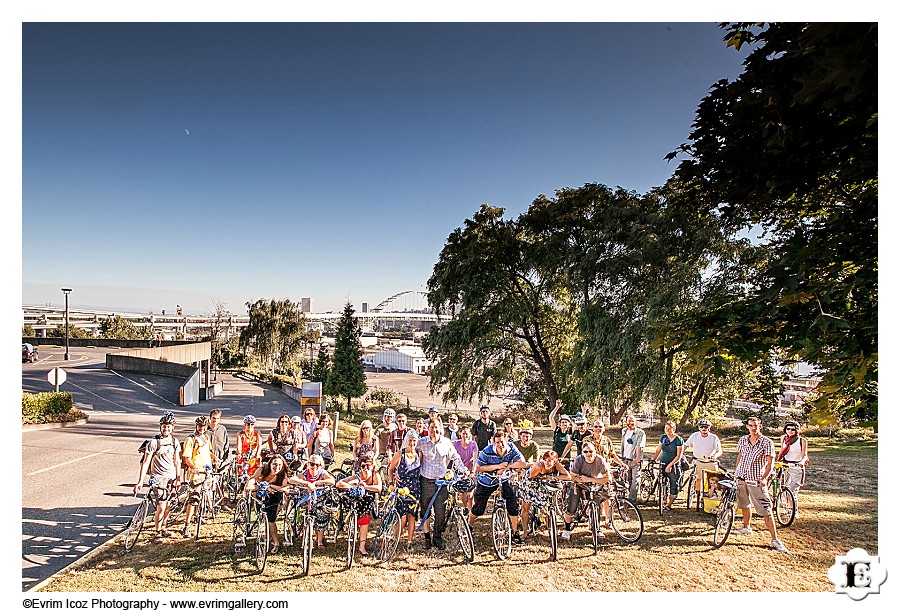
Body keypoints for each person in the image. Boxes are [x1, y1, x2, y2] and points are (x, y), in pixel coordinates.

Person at [732, 416, 789, 553]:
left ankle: (775, 539)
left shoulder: (766, 442)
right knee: (744, 504)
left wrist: (764, 478)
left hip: (756, 479)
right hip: (741, 477)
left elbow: (770, 463)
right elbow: (740, 456)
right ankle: (746, 527)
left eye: (755, 425)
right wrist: (736, 471)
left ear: (760, 426)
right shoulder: (743, 440)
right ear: (747, 427)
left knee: (766, 510)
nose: (753, 428)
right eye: (750, 425)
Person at [417, 417, 470, 550]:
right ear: (428, 429)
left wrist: (464, 470)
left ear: (440, 428)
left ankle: (437, 537)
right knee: (426, 511)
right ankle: (427, 537)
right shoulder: (421, 442)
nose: (434, 430)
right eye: (431, 428)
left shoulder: (446, 442)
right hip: (426, 481)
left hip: (442, 483)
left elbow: (456, 457)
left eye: (436, 428)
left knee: (441, 512)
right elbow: (408, 451)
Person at [469, 431, 528, 545]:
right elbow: (479, 468)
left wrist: (507, 467)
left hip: (504, 479)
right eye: (497, 443)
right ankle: (469, 525)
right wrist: (497, 467)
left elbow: (522, 463)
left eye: (502, 442)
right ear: (493, 442)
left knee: (512, 504)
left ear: (506, 440)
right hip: (487, 480)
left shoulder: (511, 448)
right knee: (479, 508)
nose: (500, 445)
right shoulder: (487, 451)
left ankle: (515, 532)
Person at [134, 412, 182, 540]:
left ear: (173, 427)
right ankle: (158, 532)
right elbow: (146, 462)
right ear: (160, 427)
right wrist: (140, 482)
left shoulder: (174, 441)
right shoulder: (154, 442)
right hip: (158, 477)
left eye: (168, 426)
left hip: (171, 477)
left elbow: (177, 461)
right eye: (164, 426)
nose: (166, 429)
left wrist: (178, 478)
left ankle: (163, 526)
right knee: (161, 505)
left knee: (168, 505)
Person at [561, 442, 611, 540]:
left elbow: (608, 478)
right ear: (582, 453)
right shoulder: (579, 460)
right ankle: (566, 529)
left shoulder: (600, 460)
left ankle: (597, 528)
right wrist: (581, 480)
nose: (589, 454)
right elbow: (572, 477)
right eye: (586, 452)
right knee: (572, 507)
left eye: (591, 451)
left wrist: (589, 479)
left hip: (593, 484)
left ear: (595, 451)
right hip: (578, 484)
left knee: (596, 506)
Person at [337, 452, 383, 556]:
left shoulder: (375, 475)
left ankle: (362, 547)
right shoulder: (357, 476)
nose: (366, 468)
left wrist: (365, 486)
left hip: (366, 503)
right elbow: (339, 483)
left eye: (368, 465)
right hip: (355, 501)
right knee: (354, 516)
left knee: (364, 520)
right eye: (363, 466)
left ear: (372, 466)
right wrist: (351, 485)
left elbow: (379, 488)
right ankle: (352, 534)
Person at [519, 450, 571, 539]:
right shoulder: (538, 466)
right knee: (526, 507)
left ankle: (550, 529)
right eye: (546, 460)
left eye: (550, 461)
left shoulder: (557, 465)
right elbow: (532, 477)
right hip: (531, 482)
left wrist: (553, 477)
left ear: (555, 461)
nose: (548, 462)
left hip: (545, 483)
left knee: (548, 506)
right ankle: (524, 531)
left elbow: (568, 477)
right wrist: (545, 477)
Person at [287, 454, 336, 549]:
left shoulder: (322, 473)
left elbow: (332, 481)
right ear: (308, 464)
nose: (315, 467)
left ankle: (320, 541)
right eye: (312, 464)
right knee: (303, 513)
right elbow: (292, 479)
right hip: (307, 498)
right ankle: (305, 535)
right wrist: (306, 483)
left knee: (321, 515)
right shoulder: (305, 473)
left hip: (320, 498)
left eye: (317, 465)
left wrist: (317, 483)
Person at [245, 454, 290, 554]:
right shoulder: (262, 469)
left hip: (275, 496)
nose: (277, 467)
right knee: (262, 515)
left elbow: (285, 489)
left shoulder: (283, 474)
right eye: (274, 464)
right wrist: (262, 487)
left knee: (271, 519)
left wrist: (270, 486)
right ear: (270, 464)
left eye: (279, 465)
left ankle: (276, 542)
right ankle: (267, 537)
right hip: (261, 495)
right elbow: (250, 484)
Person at [387, 431, 421, 550]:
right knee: (401, 516)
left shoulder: (419, 454)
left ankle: (409, 542)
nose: (412, 443)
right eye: (410, 440)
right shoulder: (399, 454)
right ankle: (396, 539)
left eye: (414, 441)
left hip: (415, 488)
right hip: (402, 488)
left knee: (412, 516)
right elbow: (390, 469)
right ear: (406, 441)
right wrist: (391, 482)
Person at [181, 416, 214, 538]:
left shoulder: (206, 437)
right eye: (200, 426)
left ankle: (199, 516)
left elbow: (208, 452)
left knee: (204, 496)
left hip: (206, 472)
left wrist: (216, 459)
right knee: (193, 499)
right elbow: (187, 458)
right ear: (196, 426)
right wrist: (194, 468)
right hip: (196, 474)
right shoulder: (190, 439)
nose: (202, 428)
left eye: (204, 426)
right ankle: (187, 525)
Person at [650, 420, 684, 512]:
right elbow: (658, 450)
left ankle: (669, 504)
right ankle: (663, 499)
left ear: (674, 429)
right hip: (663, 463)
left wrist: (670, 465)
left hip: (673, 465)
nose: (667, 431)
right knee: (662, 482)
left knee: (674, 484)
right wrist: (654, 459)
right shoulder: (663, 437)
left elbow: (678, 456)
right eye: (666, 429)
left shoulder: (678, 440)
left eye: (670, 429)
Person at [684, 419, 723, 493]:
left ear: (709, 427)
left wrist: (715, 456)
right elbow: (685, 445)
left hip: (710, 462)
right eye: (702, 427)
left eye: (706, 427)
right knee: (698, 479)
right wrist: (680, 453)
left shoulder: (714, 438)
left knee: (712, 480)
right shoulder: (694, 436)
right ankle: (697, 495)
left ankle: (710, 495)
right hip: (698, 461)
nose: (704, 428)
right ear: (699, 428)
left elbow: (719, 451)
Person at [777, 420, 809, 500]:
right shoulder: (783, 438)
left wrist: (802, 462)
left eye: (793, 429)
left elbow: (804, 455)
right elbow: (782, 452)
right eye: (788, 429)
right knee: (783, 489)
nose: (790, 431)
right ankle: (787, 509)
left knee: (792, 491)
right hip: (785, 466)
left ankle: (793, 511)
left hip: (796, 467)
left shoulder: (802, 440)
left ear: (797, 430)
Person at [619, 414, 645, 501]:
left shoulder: (640, 433)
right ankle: (627, 497)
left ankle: (632, 500)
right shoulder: (624, 431)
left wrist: (637, 459)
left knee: (635, 481)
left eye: (633, 421)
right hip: (625, 459)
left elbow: (639, 446)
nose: (631, 422)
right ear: (626, 422)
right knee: (627, 479)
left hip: (634, 460)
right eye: (629, 421)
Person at [452, 426, 478, 511]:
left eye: (467, 433)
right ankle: (466, 507)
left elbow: (475, 460)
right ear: (460, 434)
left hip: (470, 470)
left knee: (470, 494)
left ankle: (471, 510)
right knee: (462, 492)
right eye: (463, 433)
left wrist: (473, 471)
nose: (465, 435)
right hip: (460, 471)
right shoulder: (456, 444)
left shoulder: (473, 444)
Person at [549, 399, 573, 466]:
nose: (564, 424)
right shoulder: (556, 430)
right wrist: (557, 407)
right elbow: (551, 418)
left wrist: (584, 412)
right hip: (555, 457)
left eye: (566, 422)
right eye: (562, 422)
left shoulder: (571, 431)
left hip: (566, 458)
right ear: (559, 423)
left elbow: (581, 425)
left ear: (569, 424)